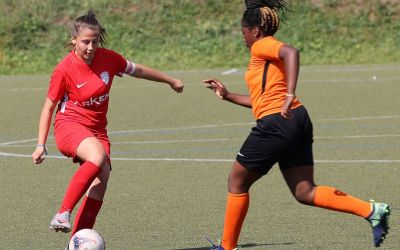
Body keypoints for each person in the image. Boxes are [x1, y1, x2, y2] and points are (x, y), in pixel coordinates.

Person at [203, 1, 390, 249]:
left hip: (277, 123)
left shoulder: (262, 45)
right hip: (296, 119)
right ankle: (372, 210)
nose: (243, 38)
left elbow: (291, 52)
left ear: (255, 30)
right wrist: (227, 96)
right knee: (305, 192)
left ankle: (226, 247)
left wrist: (289, 94)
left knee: (237, 182)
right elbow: (262, 99)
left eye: (243, 32)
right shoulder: (262, 57)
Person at [31, 10, 184, 239]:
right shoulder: (64, 69)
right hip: (69, 126)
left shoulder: (109, 59)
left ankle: (76, 242)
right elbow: (48, 107)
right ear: (74, 39)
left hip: (97, 131)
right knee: (96, 156)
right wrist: (41, 144)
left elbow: (138, 70)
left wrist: (170, 80)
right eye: (85, 42)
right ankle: (62, 213)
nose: (90, 47)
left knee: (100, 182)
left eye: (94, 41)